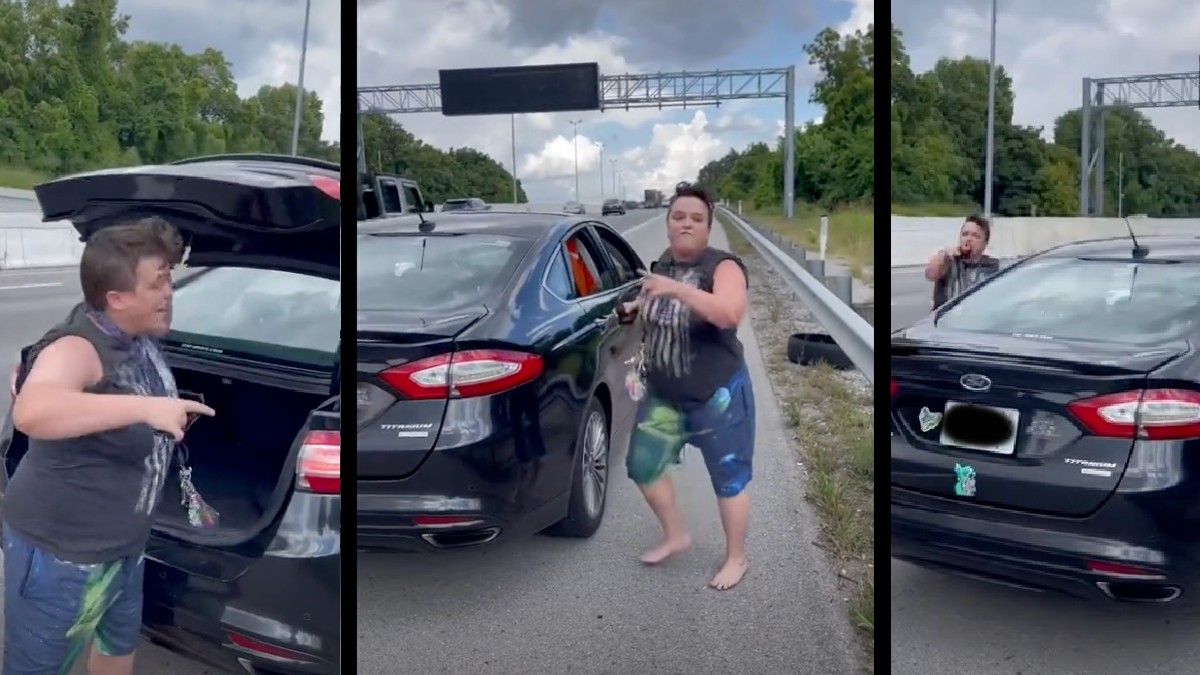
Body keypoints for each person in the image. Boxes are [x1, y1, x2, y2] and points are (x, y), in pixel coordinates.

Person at [4, 217, 214, 675]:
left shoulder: (134, 338)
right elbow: (33, 412)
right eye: (158, 283)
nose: (169, 292)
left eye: (170, 279)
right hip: (62, 557)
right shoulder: (80, 347)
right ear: (116, 299)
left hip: (122, 547)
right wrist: (144, 410)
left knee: (116, 649)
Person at [616, 184, 755, 591]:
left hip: (718, 395)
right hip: (663, 397)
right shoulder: (662, 265)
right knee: (642, 467)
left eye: (696, 218)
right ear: (668, 223)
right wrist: (634, 308)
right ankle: (676, 534)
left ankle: (737, 557)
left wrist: (676, 289)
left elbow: (728, 314)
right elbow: (653, 302)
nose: (687, 224)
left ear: (709, 228)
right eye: (679, 217)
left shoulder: (723, 267)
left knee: (729, 477)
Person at [926, 213, 1001, 309]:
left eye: (975, 236)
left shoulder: (992, 267)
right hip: (946, 320)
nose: (968, 239)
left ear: (985, 243)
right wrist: (944, 255)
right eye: (965, 234)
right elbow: (930, 274)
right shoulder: (948, 259)